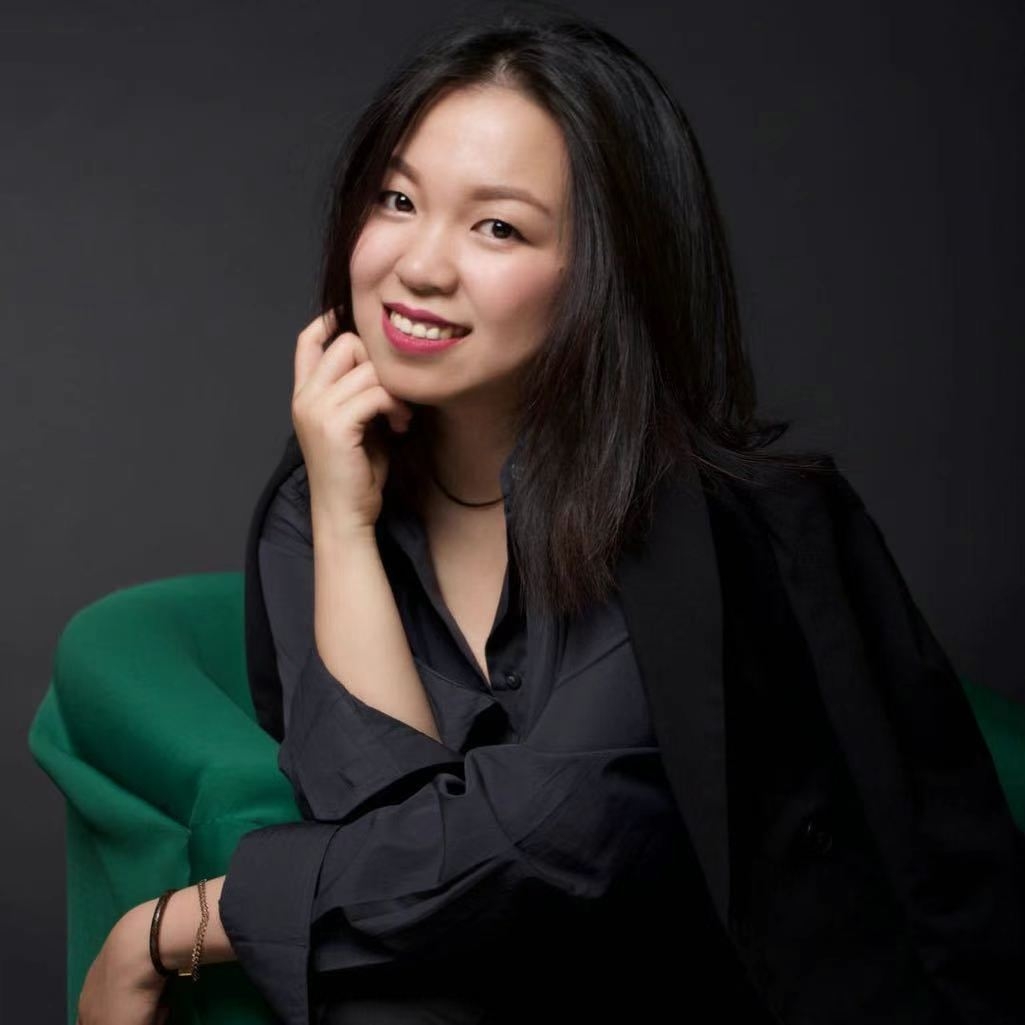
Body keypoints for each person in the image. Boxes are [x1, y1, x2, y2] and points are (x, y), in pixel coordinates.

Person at [75, 6, 1025, 1025]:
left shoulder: (696, 518)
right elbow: (387, 845)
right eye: (397, 199)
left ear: (605, 271)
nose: (419, 265)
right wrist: (345, 526)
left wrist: (171, 928)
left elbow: (549, 842)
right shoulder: (328, 484)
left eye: (497, 227)